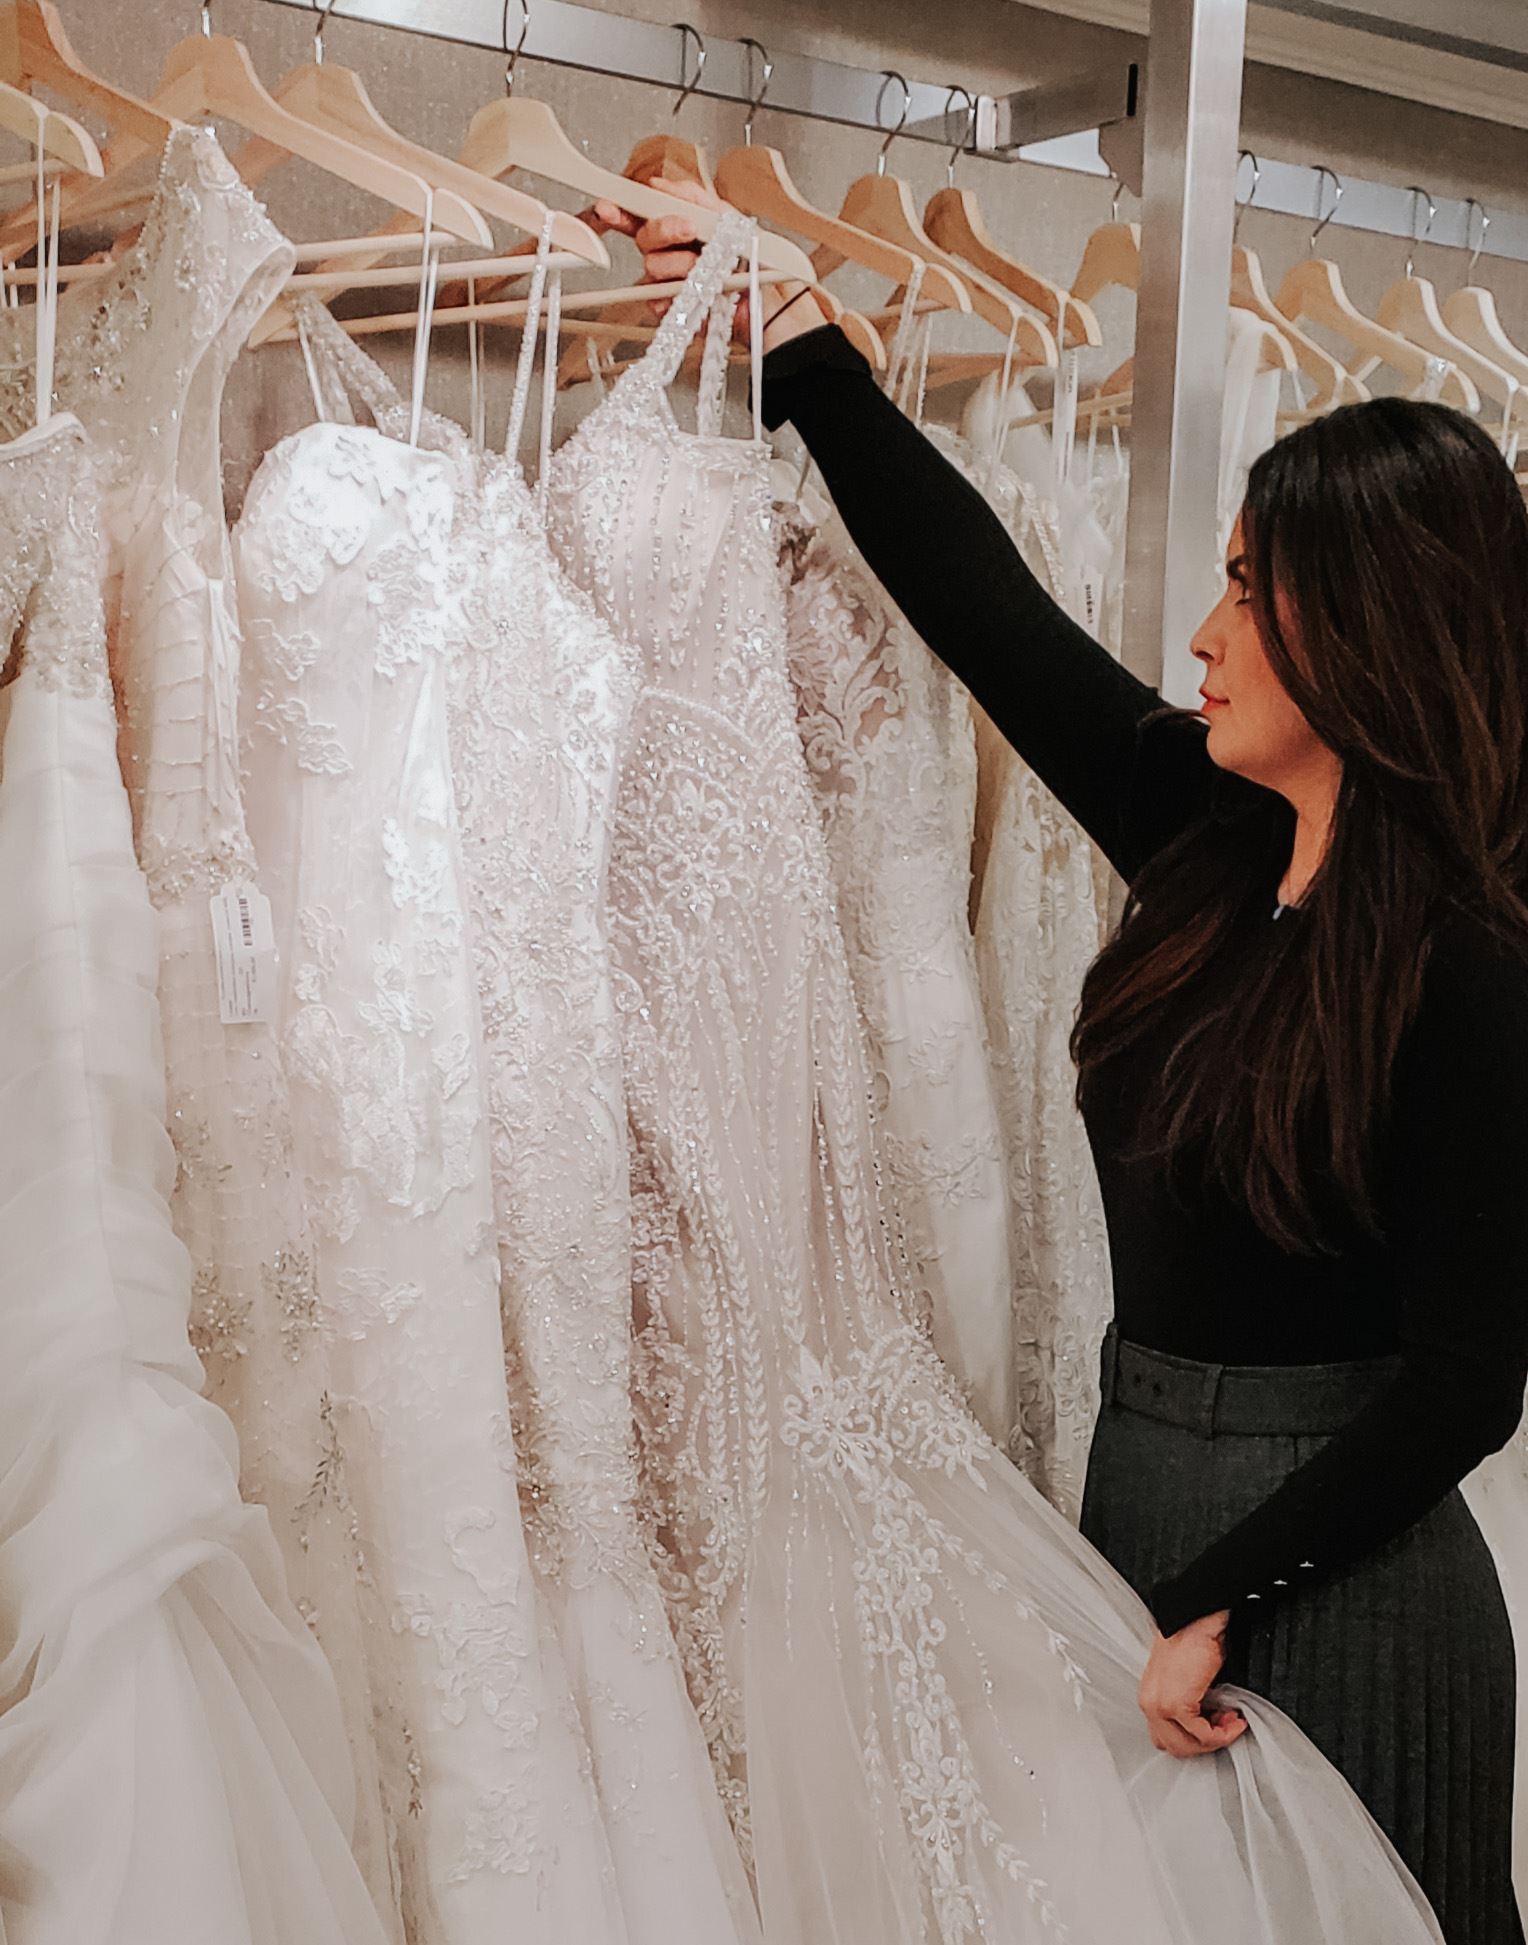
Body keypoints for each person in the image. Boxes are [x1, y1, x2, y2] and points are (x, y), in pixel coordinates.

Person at [600, 186, 1528, 1945]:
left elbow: (1473, 1378)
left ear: (1373, 629)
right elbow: (986, 605)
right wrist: (797, 332)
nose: (1206, 628)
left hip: (1347, 1571)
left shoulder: (1473, 966)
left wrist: (1226, 1593)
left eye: (1252, 587)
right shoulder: (1203, 831)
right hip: (1153, 1497)